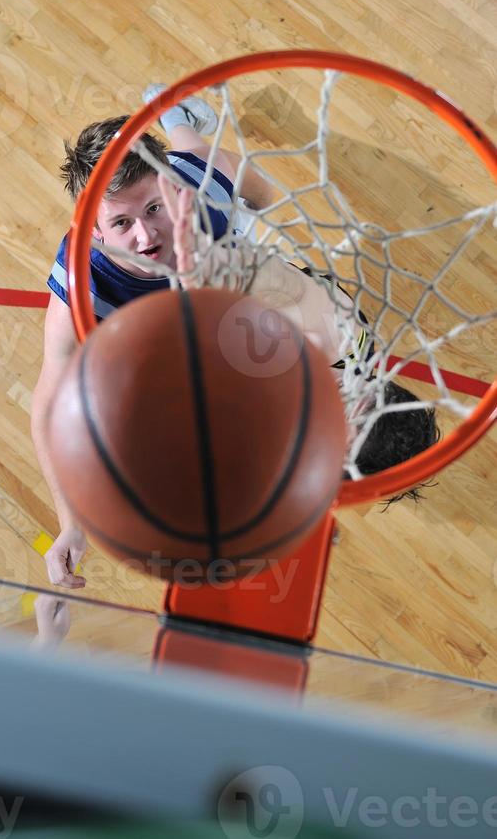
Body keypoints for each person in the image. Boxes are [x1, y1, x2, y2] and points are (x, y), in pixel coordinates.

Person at [32, 90, 438, 589]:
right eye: (120, 223)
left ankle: (178, 123)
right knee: (193, 151)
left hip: (227, 291)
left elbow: (262, 198)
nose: (143, 237)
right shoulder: (88, 289)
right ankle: (178, 117)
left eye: (154, 208)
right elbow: (49, 403)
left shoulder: (206, 184)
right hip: (227, 289)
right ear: (92, 233)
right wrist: (70, 520)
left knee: (196, 156)